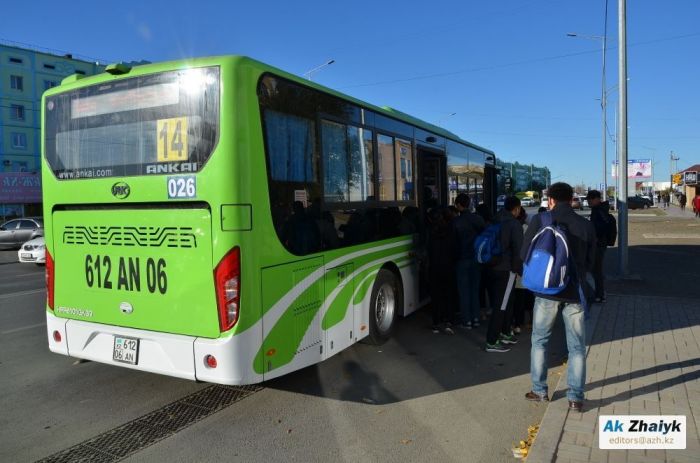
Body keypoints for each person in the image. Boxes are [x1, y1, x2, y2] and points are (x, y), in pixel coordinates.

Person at [521, 182, 596, 412]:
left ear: (550, 200)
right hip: (575, 293)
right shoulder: (585, 224)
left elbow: (525, 254)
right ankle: (575, 397)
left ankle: (540, 390)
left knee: (540, 340)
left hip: (546, 293)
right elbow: (593, 261)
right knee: (576, 347)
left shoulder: (540, 221)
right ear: (572, 198)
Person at [485, 196, 523, 352]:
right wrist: (518, 270)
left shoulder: (495, 219)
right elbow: (519, 250)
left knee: (504, 301)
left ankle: (505, 332)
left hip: (491, 266)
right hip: (506, 269)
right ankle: (492, 341)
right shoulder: (514, 224)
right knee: (502, 304)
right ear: (516, 208)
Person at [453, 193, 486, 329]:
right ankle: (476, 318)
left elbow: (453, 243)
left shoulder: (455, 222)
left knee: (464, 290)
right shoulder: (478, 219)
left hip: (461, 259)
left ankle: (467, 320)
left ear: (458, 205)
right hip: (476, 259)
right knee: (475, 289)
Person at [426, 207, 456, 334]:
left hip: (434, 267)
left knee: (436, 296)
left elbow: (427, 251)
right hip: (448, 267)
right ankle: (448, 320)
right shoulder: (450, 230)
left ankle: (436, 323)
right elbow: (455, 249)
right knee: (448, 294)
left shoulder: (429, 232)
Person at [587, 190, 611, 303]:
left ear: (597, 199)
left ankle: (600, 295)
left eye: (591, 199)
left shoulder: (599, 211)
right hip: (599, 243)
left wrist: (595, 236)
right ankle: (599, 293)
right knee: (595, 269)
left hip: (599, 244)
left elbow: (602, 227)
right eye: (588, 199)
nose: (589, 201)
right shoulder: (598, 209)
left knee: (596, 270)